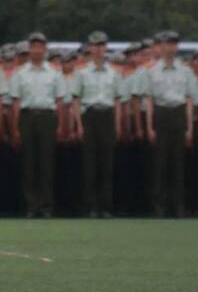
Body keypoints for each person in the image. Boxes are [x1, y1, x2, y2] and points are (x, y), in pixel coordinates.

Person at [140, 30, 195, 218]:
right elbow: (148, 101)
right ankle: (159, 207)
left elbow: (188, 101)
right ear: (161, 47)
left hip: (178, 114)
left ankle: (178, 207)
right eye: (167, 44)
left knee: (178, 165)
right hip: (161, 114)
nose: (170, 47)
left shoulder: (185, 70)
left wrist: (189, 128)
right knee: (160, 164)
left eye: (173, 44)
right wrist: (149, 127)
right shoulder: (152, 71)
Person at [10, 32, 65, 219]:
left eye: (40, 46)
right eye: (33, 46)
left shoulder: (54, 73)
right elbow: (16, 102)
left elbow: (59, 102)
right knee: (29, 163)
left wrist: (59, 125)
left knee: (46, 163)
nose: (36, 50)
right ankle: (32, 206)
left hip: (47, 117)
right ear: (29, 49)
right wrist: (16, 127)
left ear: (45, 49)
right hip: (28, 116)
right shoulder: (20, 73)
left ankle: (47, 205)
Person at [71, 31, 123, 218]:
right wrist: (79, 125)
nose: (99, 49)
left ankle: (106, 206)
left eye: (102, 45)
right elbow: (76, 100)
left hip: (107, 116)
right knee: (90, 164)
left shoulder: (114, 73)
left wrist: (117, 125)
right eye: (96, 45)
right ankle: (91, 206)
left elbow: (117, 101)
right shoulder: (82, 73)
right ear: (90, 48)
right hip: (90, 116)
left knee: (107, 164)